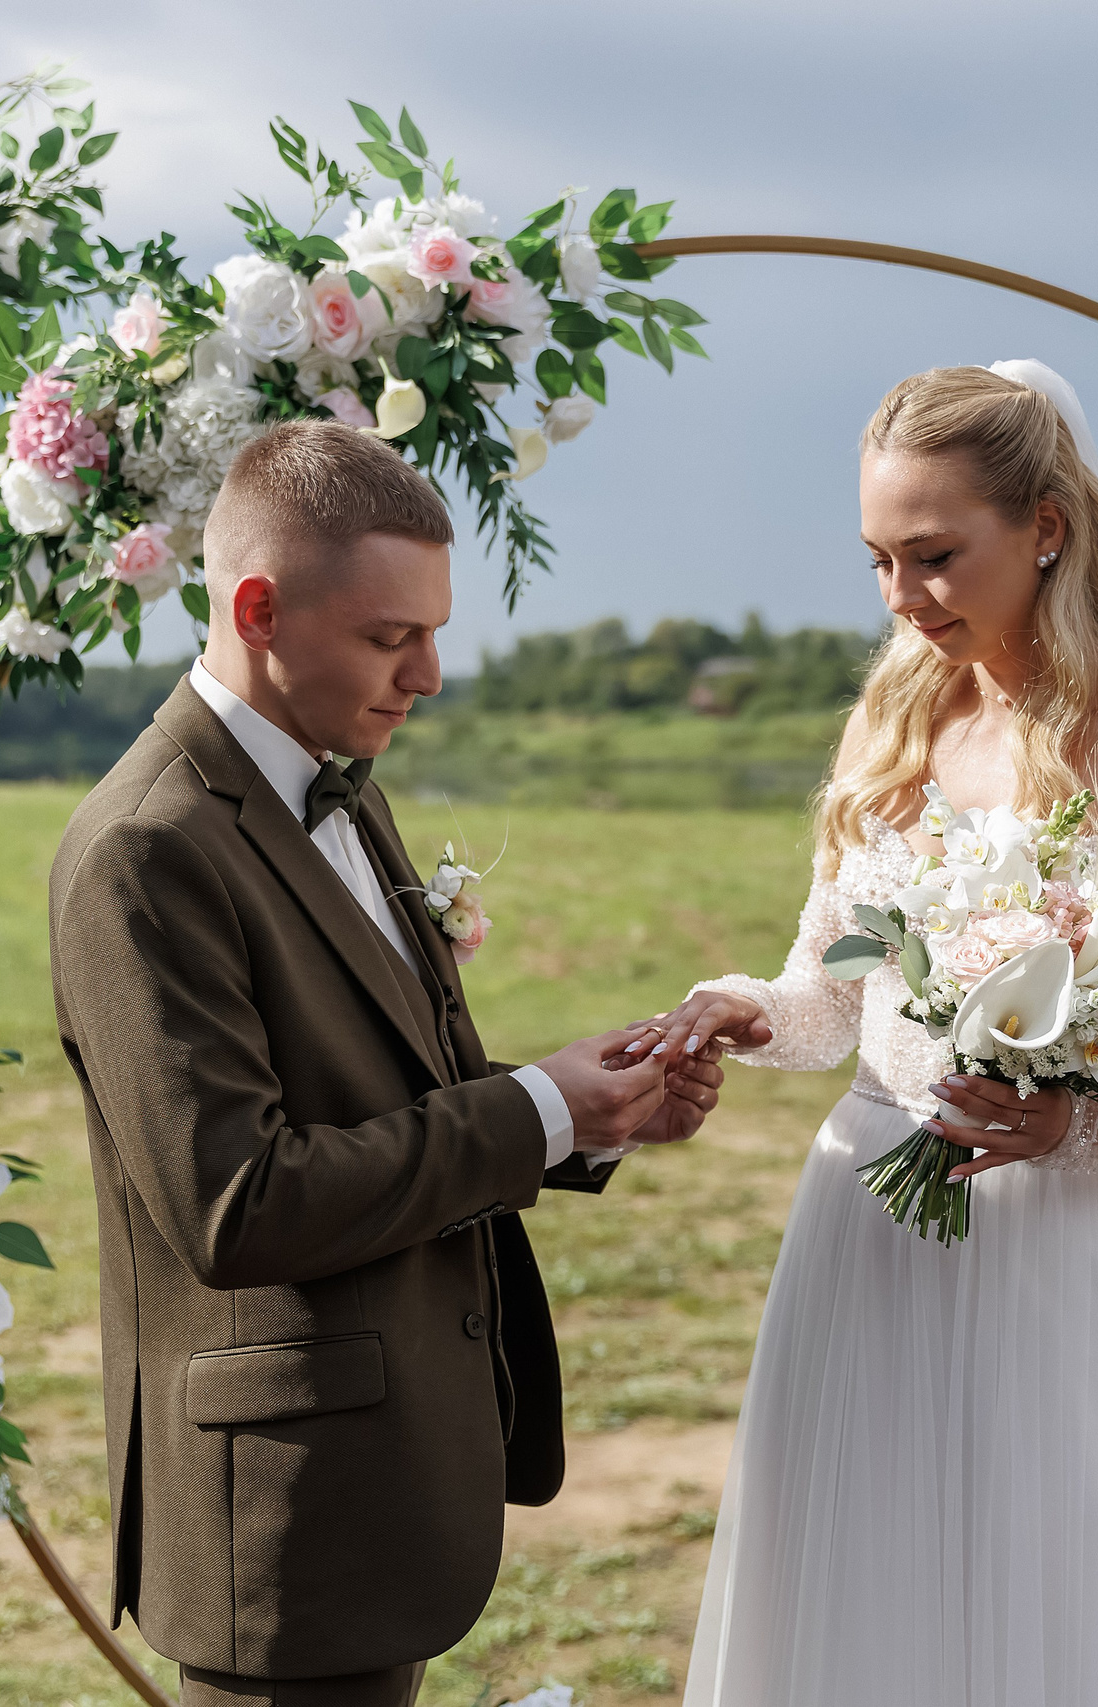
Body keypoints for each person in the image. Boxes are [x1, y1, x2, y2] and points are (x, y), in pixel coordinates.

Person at [652, 364, 1098, 1706]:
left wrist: (1085, 1122)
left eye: (935, 556)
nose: (904, 599)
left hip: (1059, 1251)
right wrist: (750, 1011)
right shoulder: (895, 720)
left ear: (1048, 526)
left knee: (1058, 1616)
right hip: (870, 1227)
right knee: (867, 1607)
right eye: (880, 561)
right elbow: (834, 999)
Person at [47, 420, 723, 1707]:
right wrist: (534, 1113)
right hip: (284, 1514)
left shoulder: (343, 781)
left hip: (389, 1461)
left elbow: (396, 1096)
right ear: (257, 609)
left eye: (434, 630)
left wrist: (594, 1113)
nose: (428, 673)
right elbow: (235, 1207)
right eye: (389, 636)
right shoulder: (146, 850)